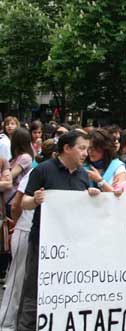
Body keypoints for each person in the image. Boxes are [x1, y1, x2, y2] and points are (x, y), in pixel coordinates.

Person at [17, 131, 99, 331]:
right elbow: (24, 203)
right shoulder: (43, 170)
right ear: (67, 148)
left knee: (65, 290)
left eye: (87, 149)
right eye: (81, 148)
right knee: (34, 291)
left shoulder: (83, 175)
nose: (85, 153)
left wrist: (92, 196)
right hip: (43, 243)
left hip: (71, 246)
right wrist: (35, 200)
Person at [0, 139, 55, 331]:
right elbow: (17, 202)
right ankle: (6, 324)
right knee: (17, 279)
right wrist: (17, 223)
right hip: (26, 229)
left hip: (45, 235)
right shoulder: (37, 171)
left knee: (30, 283)